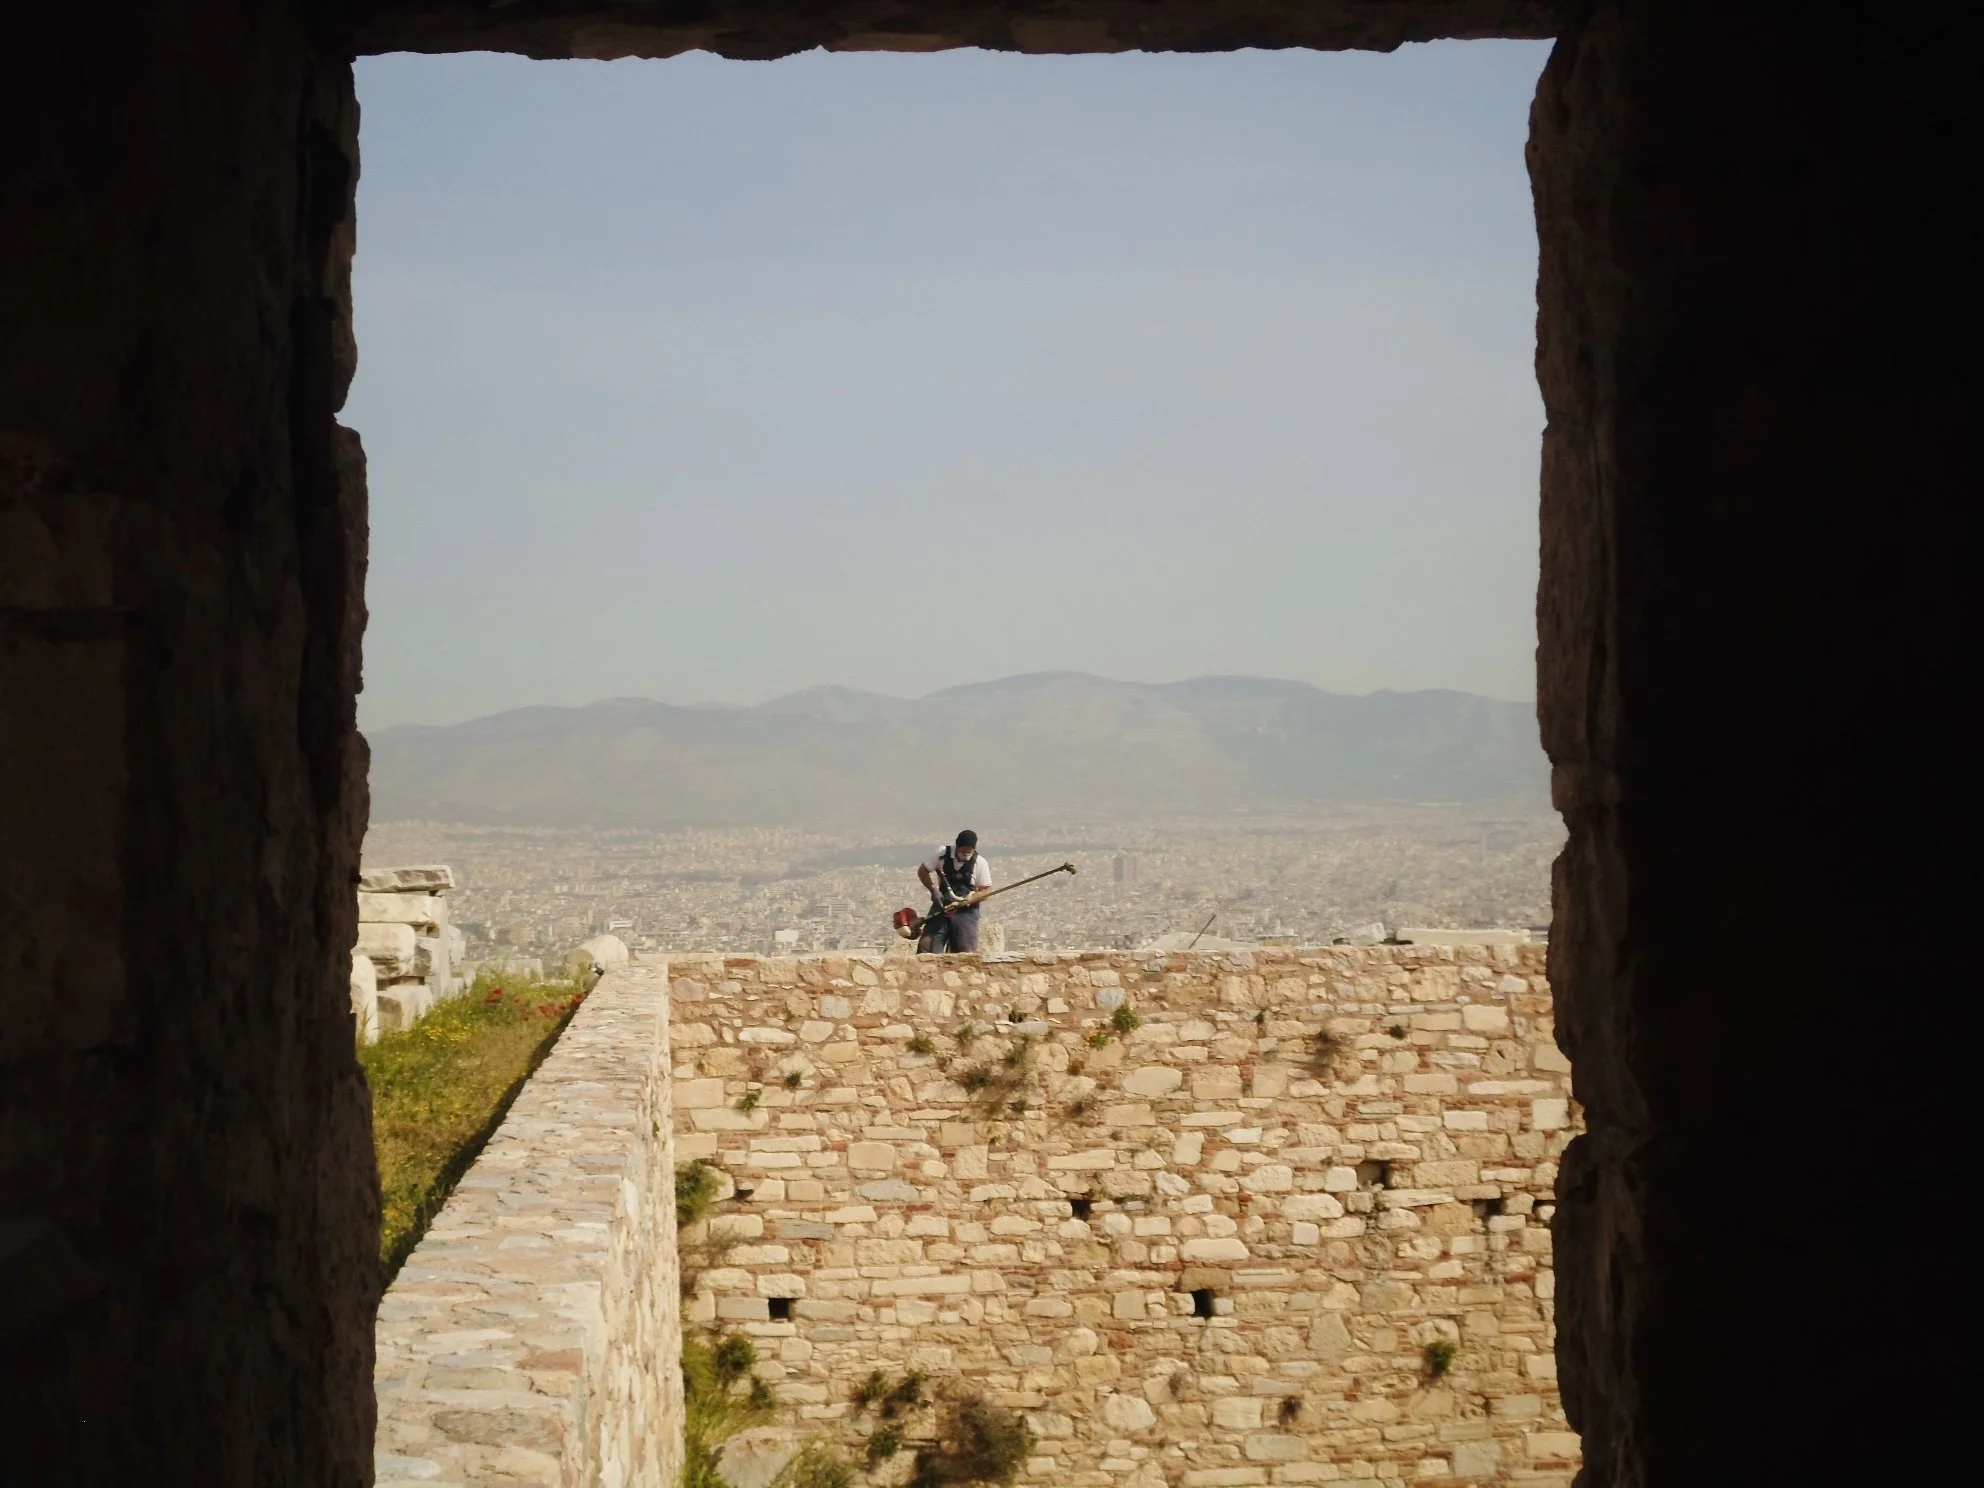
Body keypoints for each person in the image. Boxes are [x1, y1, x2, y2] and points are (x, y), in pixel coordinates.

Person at [916, 830, 992, 954]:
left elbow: (986, 891)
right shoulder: (942, 854)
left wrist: (971, 899)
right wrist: (933, 890)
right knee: (927, 948)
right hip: (942, 908)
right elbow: (923, 871)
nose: (966, 855)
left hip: (966, 914)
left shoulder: (980, 863)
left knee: (964, 954)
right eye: (963, 851)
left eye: (969, 852)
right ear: (957, 847)